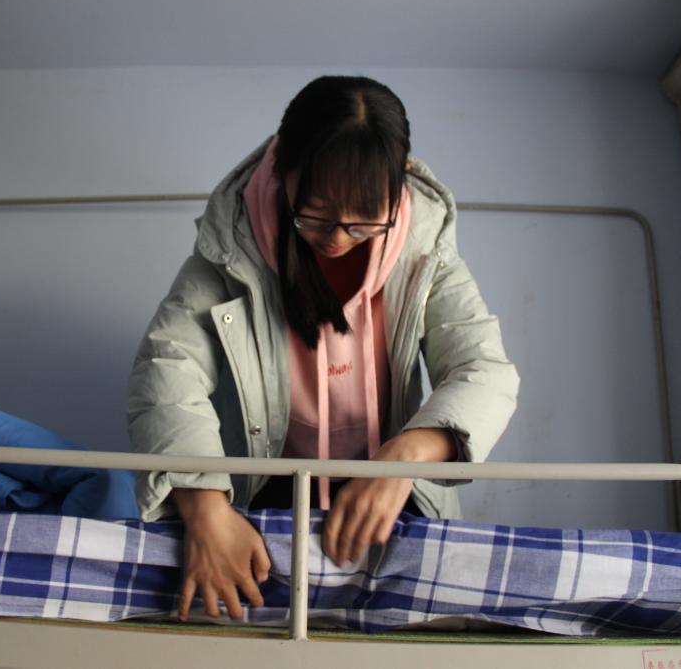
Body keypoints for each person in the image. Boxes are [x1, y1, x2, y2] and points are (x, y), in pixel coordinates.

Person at [127, 75, 519, 622]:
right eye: (315, 213)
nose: (337, 237)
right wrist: (206, 508)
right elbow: (168, 367)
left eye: (364, 220)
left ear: (398, 185)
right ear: (281, 168)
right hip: (262, 490)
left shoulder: (426, 249)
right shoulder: (231, 246)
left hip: (396, 488)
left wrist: (404, 458)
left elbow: (484, 370)